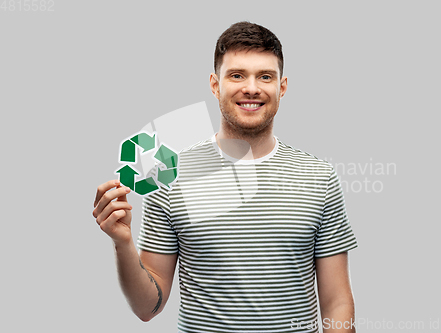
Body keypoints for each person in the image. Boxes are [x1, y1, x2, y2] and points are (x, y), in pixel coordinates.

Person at [93, 21, 358, 332]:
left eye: (265, 76)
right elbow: (147, 307)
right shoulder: (169, 175)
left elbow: (336, 300)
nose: (251, 88)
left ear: (281, 87)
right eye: (237, 75)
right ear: (215, 84)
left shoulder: (318, 177)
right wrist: (122, 243)